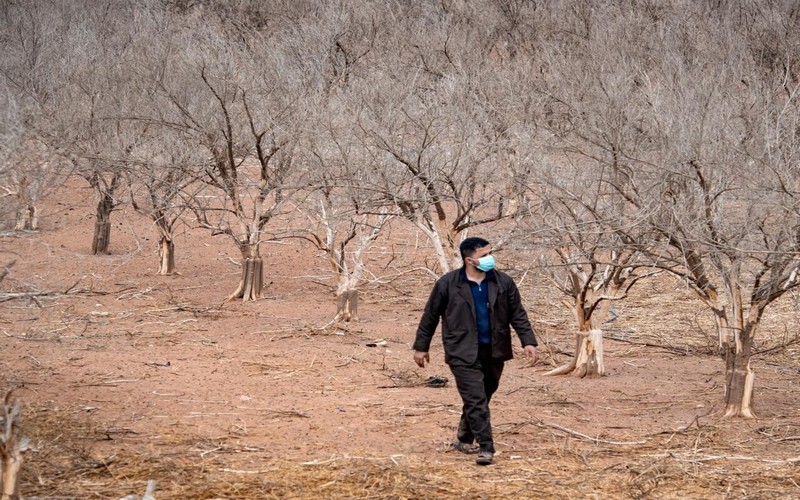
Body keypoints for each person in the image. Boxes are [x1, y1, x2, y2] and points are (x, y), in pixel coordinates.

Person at [413, 237, 538, 466]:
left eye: (491, 253)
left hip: (494, 350)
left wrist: (527, 341)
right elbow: (430, 316)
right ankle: (486, 447)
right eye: (485, 255)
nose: (490, 258)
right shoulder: (448, 284)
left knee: (484, 394)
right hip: (461, 350)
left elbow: (517, 313)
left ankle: (464, 437)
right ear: (469, 259)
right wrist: (421, 347)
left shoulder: (503, 282)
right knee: (476, 398)